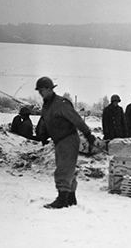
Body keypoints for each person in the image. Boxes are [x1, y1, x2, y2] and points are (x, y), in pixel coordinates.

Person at [34, 76, 95, 209]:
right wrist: (42, 134)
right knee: (68, 169)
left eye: (42, 90)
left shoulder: (61, 103)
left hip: (68, 139)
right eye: (39, 91)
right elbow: (44, 120)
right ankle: (70, 198)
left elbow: (76, 119)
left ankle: (62, 199)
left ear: (50, 89)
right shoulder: (47, 105)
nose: (40, 93)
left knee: (63, 169)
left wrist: (88, 134)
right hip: (59, 140)